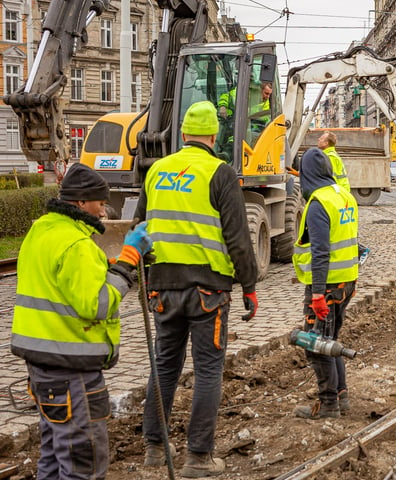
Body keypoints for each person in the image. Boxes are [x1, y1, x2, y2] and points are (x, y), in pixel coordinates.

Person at [136, 101, 259, 478]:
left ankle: (155, 449)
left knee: (165, 365)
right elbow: (238, 238)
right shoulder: (220, 172)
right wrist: (249, 286)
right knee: (207, 370)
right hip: (207, 290)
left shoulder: (157, 171)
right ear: (213, 135)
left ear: (184, 133)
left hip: (163, 287)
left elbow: (140, 226)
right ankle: (198, 457)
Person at [11, 163, 152, 479]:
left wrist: (108, 266)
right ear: (80, 202)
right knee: (82, 466)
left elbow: (62, 284)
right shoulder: (77, 245)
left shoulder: (43, 231)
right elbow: (97, 305)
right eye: (100, 203)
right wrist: (128, 261)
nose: (104, 211)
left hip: (41, 364)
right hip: (72, 369)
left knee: (51, 457)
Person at [292, 147, 359, 419]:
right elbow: (353, 240)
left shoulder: (319, 203)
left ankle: (329, 403)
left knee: (315, 343)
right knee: (330, 340)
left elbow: (320, 251)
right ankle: (340, 396)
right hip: (345, 282)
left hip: (327, 286)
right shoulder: (344, 196)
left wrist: (317, 294)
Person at [318, 130, 369, 263]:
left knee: (340, 227)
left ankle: (360, 250)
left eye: (321, 138)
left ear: (327, 143)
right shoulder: (328, 155)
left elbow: (330, 179)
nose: (318, 139)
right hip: (340, 194)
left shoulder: (330, 157)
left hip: (339, 195)